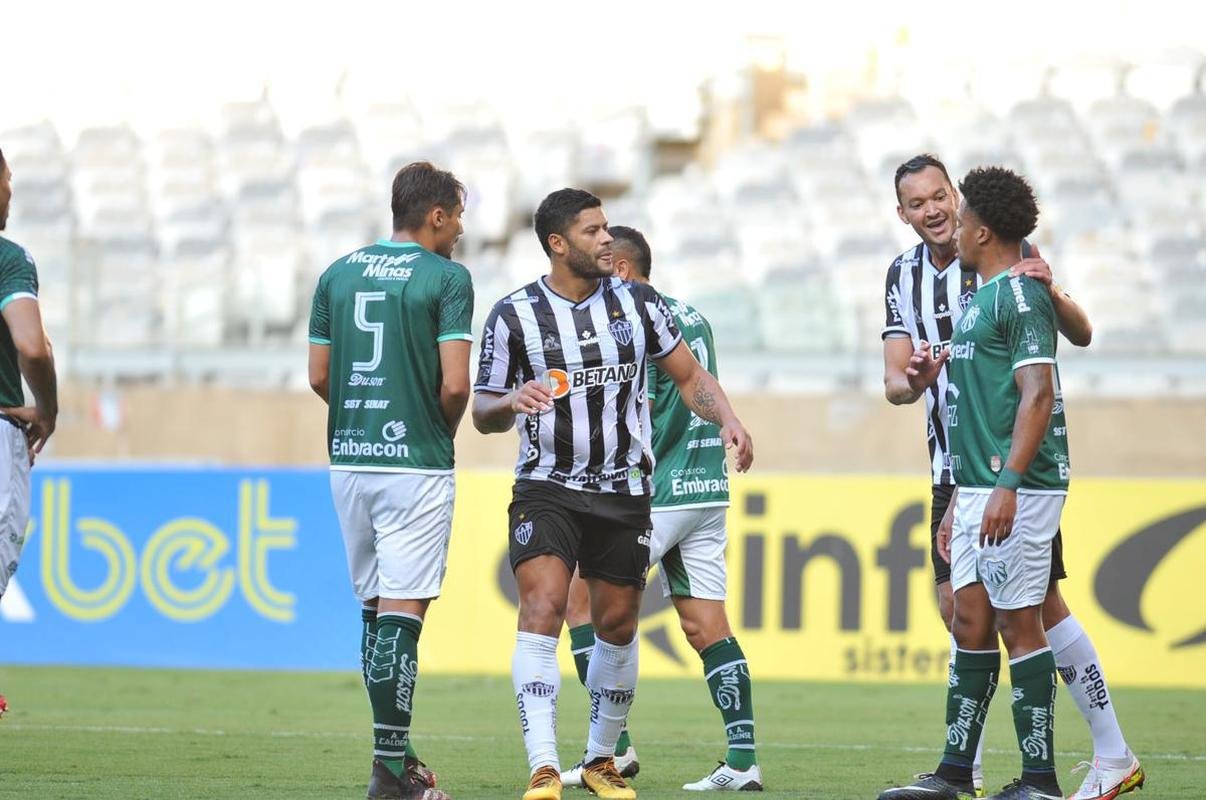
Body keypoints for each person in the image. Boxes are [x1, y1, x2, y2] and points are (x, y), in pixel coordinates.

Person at [472, 190, 753, 800]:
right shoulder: (513, 314)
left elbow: (688, 376)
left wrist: (726, 416)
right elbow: (482, 410)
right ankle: (544, 765)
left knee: (618, 625)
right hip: (546, 485)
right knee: (543, 608)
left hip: (625, 488)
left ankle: (601, 758)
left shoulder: (638, 302)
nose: (606, 240)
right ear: (557, 243)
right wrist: (509, 401)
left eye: (606, 229)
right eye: (592, 231)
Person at [880, 155, 1142, 800]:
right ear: (904, 214)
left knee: (1030, 613)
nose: (937, 210)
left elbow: (1064, 350)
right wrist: (910, 382)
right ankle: (959, 771)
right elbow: (895, 383)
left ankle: (1085, 762)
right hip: (961, 468)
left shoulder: (1015, 266)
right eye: (919, 203)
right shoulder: (905, 276)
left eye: (945, 197)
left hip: (1008, 471)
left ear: (967, 213)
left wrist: (1050, 287)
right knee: (967, 614)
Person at [558, 226, 762, 792]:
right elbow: (698, 386)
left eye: (603, 264)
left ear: (622, 269)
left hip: (657, 493)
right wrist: (729, 422)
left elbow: (642, 407)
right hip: (705, 490)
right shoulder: (692, 316)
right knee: (705, 624)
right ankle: (743, 758)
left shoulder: (631, 322)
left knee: (578, 595)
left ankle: (612, 749)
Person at [308, 161, 473, 800]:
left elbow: (320, 376)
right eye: (456, 216)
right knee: (404, 616)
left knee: (376, 613)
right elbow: (455, 383)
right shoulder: (448, 278)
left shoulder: (336, 274)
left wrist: (366, 417)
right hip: (415, 464)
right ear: (435, 214)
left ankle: (392, 761)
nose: (459, 229)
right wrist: (433, 426)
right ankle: (391, 772)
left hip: (349, 459)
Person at [0, 147, 60, 721]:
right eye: (6, 183)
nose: (10, 194)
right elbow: (32, 345)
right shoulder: (7, 259)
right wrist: (47, 407)